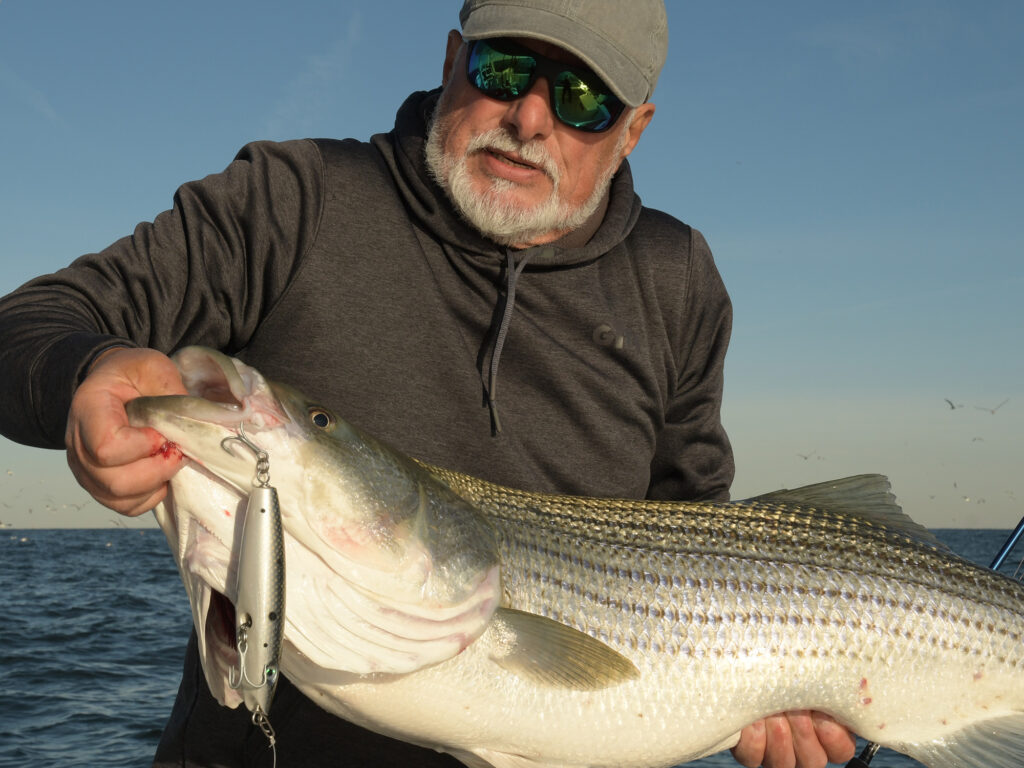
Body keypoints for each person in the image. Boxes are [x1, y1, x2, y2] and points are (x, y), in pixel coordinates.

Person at [0, 1, 857, 767]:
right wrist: (87, 373)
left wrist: (770, 691)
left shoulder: (676, 276)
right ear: (452, 60)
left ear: (634, 130)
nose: (529, 117)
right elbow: (31, 323)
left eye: (584, 99)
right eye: (505, 69)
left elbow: (699, 530)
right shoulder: (296, 199)